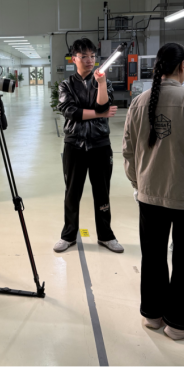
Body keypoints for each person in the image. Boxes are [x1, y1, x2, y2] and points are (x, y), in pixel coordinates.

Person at [122, 43, 184, 340]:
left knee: (153, 255)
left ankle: (153, 315)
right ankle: (181, 324)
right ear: (183, 67)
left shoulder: (138, 103)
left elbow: (128, 151)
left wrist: (139, 183)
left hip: (149, 195)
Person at [53, 38, 123, 254]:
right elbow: (70, 112)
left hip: (100, 144)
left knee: (102, 192)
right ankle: (68, 235)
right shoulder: (66, 85)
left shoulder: (103, 82)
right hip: (74, 144)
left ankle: (106, 235)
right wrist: (100, 113)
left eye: (92, 56)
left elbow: (104, 105)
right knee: (72, 192)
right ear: (73, 59)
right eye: (84, 56)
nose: (89, 60)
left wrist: (101, 84)